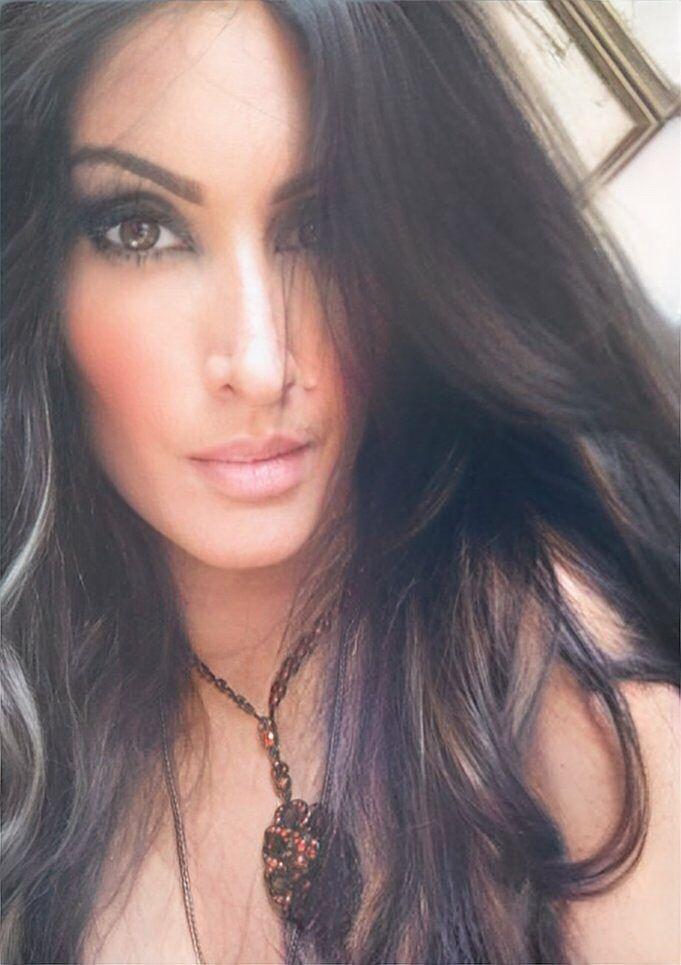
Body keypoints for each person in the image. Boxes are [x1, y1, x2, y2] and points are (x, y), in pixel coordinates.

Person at [1, 1, 678, 963]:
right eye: (140, 229)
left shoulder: (559, 691)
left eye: (319, 225)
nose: (258, 361)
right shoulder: (35, 712)